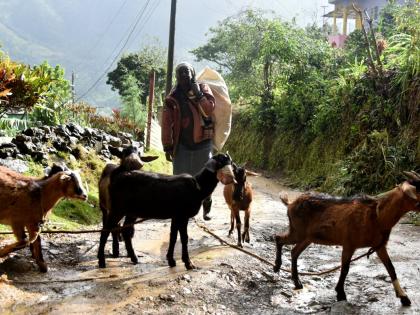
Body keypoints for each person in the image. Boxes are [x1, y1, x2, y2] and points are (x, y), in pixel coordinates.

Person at [161, 62, 215, 220]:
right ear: (176, 77)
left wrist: (198, 94)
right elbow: (166, 122)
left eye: (187, 72)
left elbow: (209, 109)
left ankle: (207, 205)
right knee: (179, 180)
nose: (184, 75)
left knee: (206, 178)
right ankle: (180, 210)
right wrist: (167, 146)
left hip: (203, 143)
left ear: (193, 74)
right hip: (182, 145)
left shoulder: (203, 88)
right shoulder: (172, 98)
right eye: (181, 73)